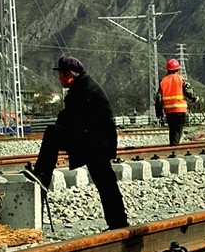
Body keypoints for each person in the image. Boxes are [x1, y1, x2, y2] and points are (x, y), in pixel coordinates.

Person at [25, 56, 129, 229]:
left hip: (96, 142)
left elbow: (70, 119)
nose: (59, 79)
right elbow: (68, 117)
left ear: (69, 75)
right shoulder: (82, 87)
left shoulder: (84, 90)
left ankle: (42, 174)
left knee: (105, 182)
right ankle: (118, 223)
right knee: (106, 183)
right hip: (95, 140)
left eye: (61, 75)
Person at [155, 58, 197, 146]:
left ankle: (173, 147)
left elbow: (158, 99)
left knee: (172, 130)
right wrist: (195, 99)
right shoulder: (181, 80)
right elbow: (189, 93)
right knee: (178, 131)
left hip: (169, 112)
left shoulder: (163, 81)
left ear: (167, 69)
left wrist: (159, 114)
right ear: (178, 69)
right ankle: (174, 149)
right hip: (180, 110)